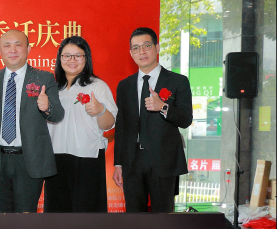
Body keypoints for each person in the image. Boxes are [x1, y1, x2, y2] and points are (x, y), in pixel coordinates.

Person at [0, 30, 64, 213]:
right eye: (7, 45)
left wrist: (47, 107)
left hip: (30, 160)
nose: (13, 50)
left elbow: (57, 115)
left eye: (18, 45)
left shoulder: (44, 78)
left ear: (28, 49)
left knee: (25, 220)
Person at [113, 27, 192, 213]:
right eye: (136, 48)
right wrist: (118, 164)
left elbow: (185, 119)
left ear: (157, 48)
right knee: (134, 217)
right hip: (132, 160)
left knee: (163, 218)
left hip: (164, 160)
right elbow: (121, 126)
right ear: (131, 53)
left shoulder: (178, 81)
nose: (142, 52)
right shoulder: (125, 85)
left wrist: (163, 106)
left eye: (147, 46)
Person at [44, 36, 117, 212]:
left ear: (86, 58)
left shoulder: (97, 86)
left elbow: (109, 124)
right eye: (67, 55)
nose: (72, 60)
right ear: (60, 58)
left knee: (87, 215)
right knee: (57, 216)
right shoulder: (52, 88)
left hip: (87, 158)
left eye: (78, 55)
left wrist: (100, 110)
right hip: (55, 158)